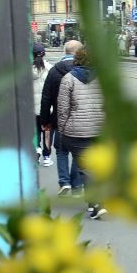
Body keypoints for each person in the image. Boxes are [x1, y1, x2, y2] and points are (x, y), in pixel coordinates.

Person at [56, 47, 107, 220]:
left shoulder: (68, 79)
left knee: (85, 168)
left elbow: (63, 109)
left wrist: (62, 129)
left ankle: (96, 204)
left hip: (76, 132)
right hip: (100, 129)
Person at [39, 40, 83, 196]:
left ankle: (64, 182)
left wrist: (45, 121)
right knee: (79, 152)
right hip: (82, 120)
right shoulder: (85, 70)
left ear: (65, 51)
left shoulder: (54, 71)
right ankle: (77, 185)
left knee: (61, 151)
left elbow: (46, 98)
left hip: (60, 119)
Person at [31, 43, 53, 168]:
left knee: (35, 132)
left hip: (32, 109)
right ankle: (46, 156)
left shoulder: (27, 70)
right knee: (47, 132)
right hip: (47, 108)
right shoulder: (50, 68)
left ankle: (37, 150)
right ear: (44, 53)